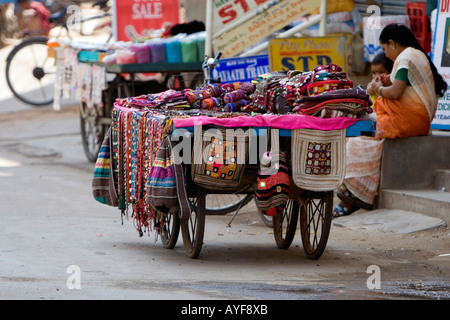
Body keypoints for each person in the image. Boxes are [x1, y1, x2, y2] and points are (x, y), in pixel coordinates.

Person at [333, 23, 447, 218]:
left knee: (356, 139)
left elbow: (395, 93)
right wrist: (384, 83)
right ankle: (353, 193)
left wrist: (376, 90)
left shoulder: (406, 58)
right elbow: (402, 86)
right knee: (359, 131)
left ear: (392, 43)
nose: (385, 54)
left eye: (385, 48)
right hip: (411, 119)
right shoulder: (414, 55)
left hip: (407, 120)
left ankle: (359, 192)